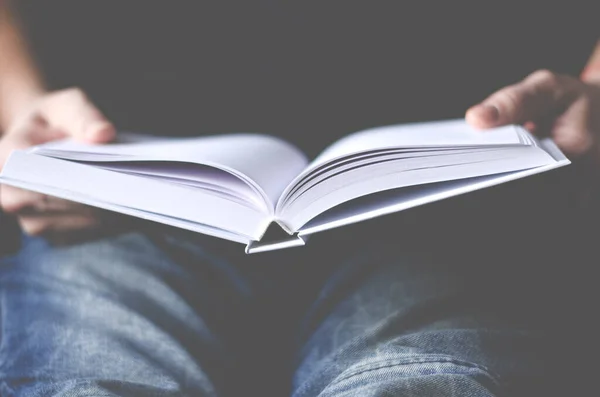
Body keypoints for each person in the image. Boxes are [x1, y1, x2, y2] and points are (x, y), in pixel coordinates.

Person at [1, 2, 599, 396]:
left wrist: (594, 89)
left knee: (423, 383)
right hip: (126, 201)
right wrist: (25, 105)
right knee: (81, 380)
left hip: (448, 207)